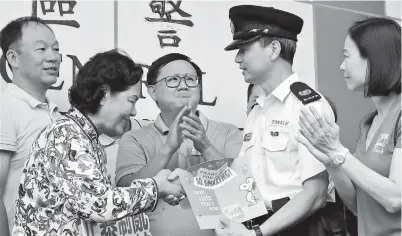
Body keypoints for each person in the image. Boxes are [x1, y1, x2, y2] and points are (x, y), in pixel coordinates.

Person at [12, 49, 185, 235]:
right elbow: (101, 205)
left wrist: (160, 189)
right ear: (104, 94)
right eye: (131, 101)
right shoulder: (65, 136)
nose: (134, 112)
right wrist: (157, 186)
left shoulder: (86, 138)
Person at [216, 5, 335, 236]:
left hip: (298, 227)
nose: (237, 59)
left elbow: (316, 194)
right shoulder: (257, 110)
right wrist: (191, 185)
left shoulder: (308, 105)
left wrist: (258, 233)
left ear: (273, 49)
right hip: (259, 225)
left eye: (244, 49)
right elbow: (244, 181)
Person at [116, 53, 243, 236]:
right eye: (173, 80)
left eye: (191, 80)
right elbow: (126, 194)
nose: (183, 85)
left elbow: (243, 190)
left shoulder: (228, 132)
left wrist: (206, 146)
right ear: (152, 91)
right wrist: (168, 149)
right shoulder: (134, 138)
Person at [297, 17, 401, 236]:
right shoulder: (368, 123)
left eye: (346, 56)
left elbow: (395, 199)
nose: (341, 65)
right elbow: (358, 207)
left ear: (374, 58)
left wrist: (339, 152)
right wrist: (332, 162)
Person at [0, 16, 61, 235]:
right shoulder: (5, 108)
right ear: (13, 58)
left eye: (55, 49)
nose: (53, 57)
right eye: (41, 49)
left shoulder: (58, 116)